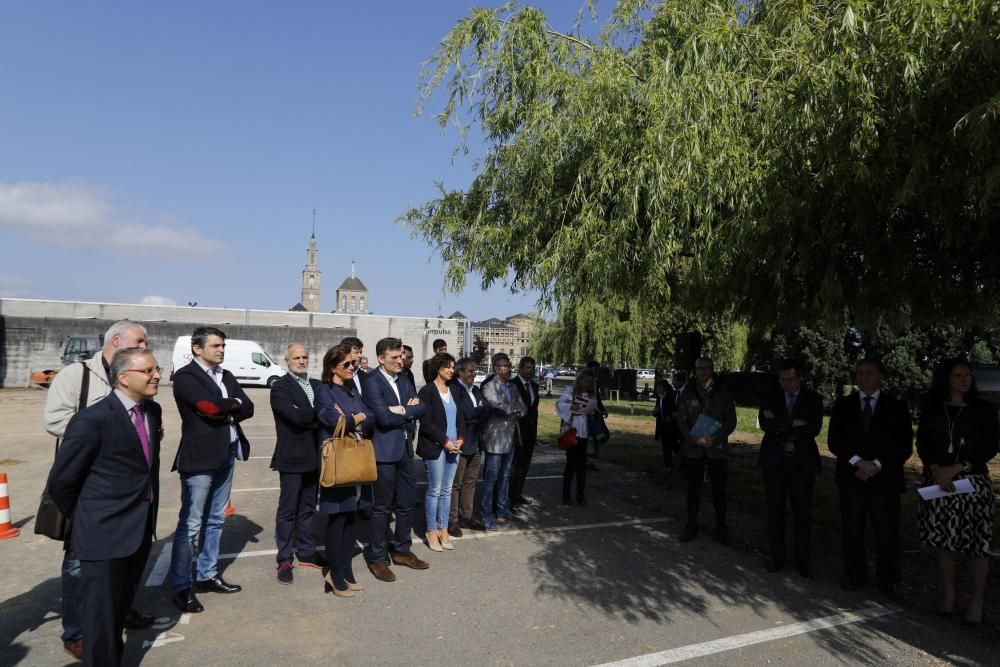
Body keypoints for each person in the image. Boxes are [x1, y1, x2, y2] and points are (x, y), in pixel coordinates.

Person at [42, 320, 154, 660]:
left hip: (134, 519)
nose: (155, 372)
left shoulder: (152, 409)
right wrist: (88, 515)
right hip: (95, 512)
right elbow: (61, 478)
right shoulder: (79, 380)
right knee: (85, 581)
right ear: (117, 341)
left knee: (115, 597)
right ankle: (77, 631)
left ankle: (115, 621)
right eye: (139, 342)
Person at [170, 327, 254, 613]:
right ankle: (181, 586)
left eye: (223, 345)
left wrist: (226, 407)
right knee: (191, 524)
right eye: (216, 345)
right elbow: (206, 406)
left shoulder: (226, 375)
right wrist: (232, 405)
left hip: (227, 454)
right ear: (197, 348)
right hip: (199, 459)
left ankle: (206, 575)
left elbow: (250, 407)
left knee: (215, 520)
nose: (221, 350)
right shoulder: (185, 377)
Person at [916, 358, 998, 626]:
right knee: (945, 541)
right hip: (939, 482)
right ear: (946, 379)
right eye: (958, 375)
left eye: (968, 375)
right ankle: (949, 594)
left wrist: (959, 467)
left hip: (972, 483)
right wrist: (937, 469)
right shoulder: (932, 408)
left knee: (977, 545)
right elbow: (923, 442)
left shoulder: (984, 409)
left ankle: (976, 601)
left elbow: (989, 446)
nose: (965, 379)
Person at [828, 359, 913, 601]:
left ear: (880, 376)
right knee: (852, 529)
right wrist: (857, 462)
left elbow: (903, 445)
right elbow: (835, 441)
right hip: (852, 477)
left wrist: (876, 465)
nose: (864, 377)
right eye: (860, 373)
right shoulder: (843, 405)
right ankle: (854, 573)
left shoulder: (896, 407)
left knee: (887, 532)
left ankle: (889, 579)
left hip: (885, 480)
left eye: (870, 373)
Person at [362, 337, 428, 581]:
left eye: (402, 356)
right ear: (381, 359)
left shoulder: (404, 379)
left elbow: (421, 408)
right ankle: (377, 558)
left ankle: (402, 550)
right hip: (383, 454)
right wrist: (407, 411)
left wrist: (401, 410)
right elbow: (382, 418)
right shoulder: (372, 382)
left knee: (407, 502)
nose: (401, 360)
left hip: (404, 451)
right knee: (381, 507)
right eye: (395, 357)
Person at [315, 344, 374, 596]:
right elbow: (333, 420)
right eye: (347, 365)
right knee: (336, 517)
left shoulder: (351, 390)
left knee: (350, 516)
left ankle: (347, 570)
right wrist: (355, 417)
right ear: (332, 368)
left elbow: (369, 414)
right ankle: (335, 573)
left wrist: (355, 417)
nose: (353, 367)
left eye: (354, 364)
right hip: (337, 461)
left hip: (354, 459)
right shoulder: (324, 390)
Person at [757, 359, 823, 577]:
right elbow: (766, 425)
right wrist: (794, 424)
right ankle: (777, 556)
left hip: (802, 463)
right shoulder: (770, 397)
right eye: (782, 380)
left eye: (791, 379)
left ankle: (802, 559)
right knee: (775, 510)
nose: (786, 384)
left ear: (800, 377)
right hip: (774, 461)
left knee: (802, 512)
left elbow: (813, 428)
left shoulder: (813, 400)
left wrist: (780, 425)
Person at [269, 343, 325, 585]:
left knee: (308, 508)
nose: (301, 361)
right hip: (292, 458)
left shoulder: (317, 385)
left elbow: (321, 413)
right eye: (296, 357)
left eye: (304, 356)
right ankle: (284, 558)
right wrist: (316, 415)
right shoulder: (280, 387)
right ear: (286, 360)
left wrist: (307, 414)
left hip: (315, 456)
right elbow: (294, 417)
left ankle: (306, 552)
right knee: (287, 510)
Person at [676, 357, 737, 544]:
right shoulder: (687, 392)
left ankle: (721, 528)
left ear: (712, 369)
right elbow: (681, 420)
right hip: (694, 449)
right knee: (693, 491)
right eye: (698, 368)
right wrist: (694, 439)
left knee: (719, 491)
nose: (702, 371)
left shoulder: (723, 393)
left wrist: (716, 438)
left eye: (705, 368)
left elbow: (730, 421)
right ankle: (691, 527)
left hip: (716, 448)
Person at [417, 353, 465, 551]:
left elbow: (461, 418)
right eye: (447, 367)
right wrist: (445, 442)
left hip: (455, 447)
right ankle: (431, 530)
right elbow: (426, 423)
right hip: (436, 447)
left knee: (447, 491)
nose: (451, 370)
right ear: (438, 368)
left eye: (453, 367)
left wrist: (461, 439)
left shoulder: (455, 389)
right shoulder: (427, 391)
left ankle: (443, 529)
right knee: (435, 490)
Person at [479, 353, 526, 528]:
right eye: (506, 365)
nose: (509, 368)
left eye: (509, 365)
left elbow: (524, 409)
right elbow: (498, 409)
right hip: (496, 438)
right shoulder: (489, 387)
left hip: (511, 436)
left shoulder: (513, 387)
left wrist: (511, 409)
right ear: (497, 368)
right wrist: (512, 409)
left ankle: (503, 509)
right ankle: (486, 514)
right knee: (491, 477)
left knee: (505, 476)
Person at [449, 357, 491, 536]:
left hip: (476, 442)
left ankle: (467, 515)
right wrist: (479, 412)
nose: (474, 374)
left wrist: (479, 412)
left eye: (475, 370)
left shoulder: (475, 389)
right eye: (470, 371)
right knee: (455, 484)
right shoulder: (454, 389)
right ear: (460, 372)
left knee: (470, 482)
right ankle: (452, 520)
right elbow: (466, 413)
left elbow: (487, 410)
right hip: (461, 441)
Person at [556, 369, 599, 505]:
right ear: (580, 380)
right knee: (570, 464)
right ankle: (566, 495)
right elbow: (559, 404)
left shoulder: (592, 394)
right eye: (585, 381)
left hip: (584, 432)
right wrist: (570, 407)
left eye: (590, 382)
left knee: (582, 466)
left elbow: (594, 408)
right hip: (572, 431)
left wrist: (592, 411)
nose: (587, 384)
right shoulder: (571, 390)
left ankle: (580, 494)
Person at [510, 356, 540, 509]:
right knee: (515, 466)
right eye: (528, 368)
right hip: (517, 432)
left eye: (532, 368)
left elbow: (534, 410)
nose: (531, 371)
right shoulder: (512, 385)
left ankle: (518, 493)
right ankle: (511, 497)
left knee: (524, 466)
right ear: (520, 368)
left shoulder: (534, 386)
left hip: (530, 432)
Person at [584, 360, 609, 470]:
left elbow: (597, 397)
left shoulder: (595, 381)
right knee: (587, 435)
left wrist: (602, 409)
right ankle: (585, 460)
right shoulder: (582, 380)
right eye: (595, 369)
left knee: (596, 435)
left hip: (594, 412)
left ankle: (588, 460)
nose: (596, 372)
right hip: (585, 413)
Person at [653, 378, 680, 469]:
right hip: (662, 425)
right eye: (657, 387)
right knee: (665, 445)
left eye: (660, 387)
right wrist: (655, 412)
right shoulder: (659, 397)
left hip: (671, 425)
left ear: (665, 387)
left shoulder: (671, 397)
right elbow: (657, 409)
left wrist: (670, 418)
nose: (658, 389)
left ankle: (681, 461)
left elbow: (674, 410)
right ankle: (668, 464)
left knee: (673, 445)